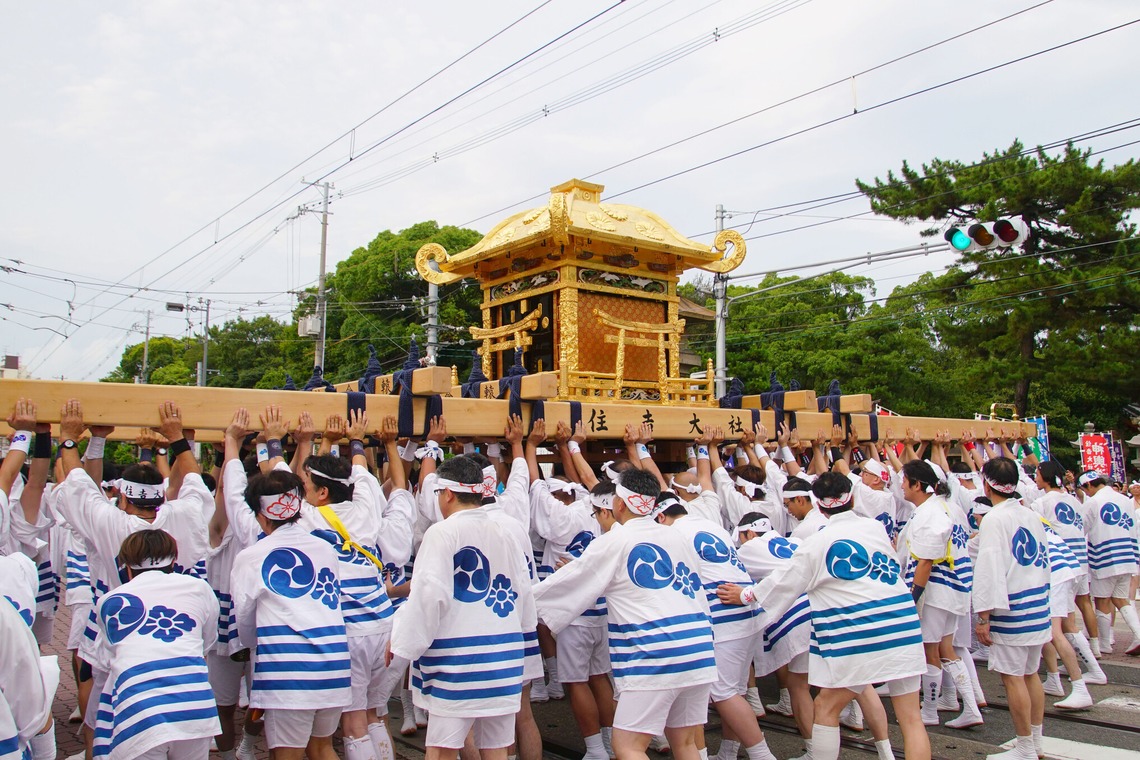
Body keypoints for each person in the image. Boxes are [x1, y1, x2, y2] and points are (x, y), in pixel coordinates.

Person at [720, 472, 929, 760]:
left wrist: (745, 595)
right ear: (852, 498)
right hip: (902, 623)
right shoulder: (874, 528)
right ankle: (885, 753)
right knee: (911, 719)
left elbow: (783, 582)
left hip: (857, 629)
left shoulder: (817, 541)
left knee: (826, 708)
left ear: (818, 505)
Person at [533, 468, 717, 760]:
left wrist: (521, 605)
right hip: (699, 648)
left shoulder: (614, 541)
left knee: (628, 746)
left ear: (619, 504)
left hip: (654, 651)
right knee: (685, 743)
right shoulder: (677, 536)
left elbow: (566, 583)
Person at [388, 456, 535, 760]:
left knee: (442, 749)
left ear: (448, 493)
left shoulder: (442, 532)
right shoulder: (506, 531)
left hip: (458, 662)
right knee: (496, 748)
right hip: (504, 657)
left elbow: (428, 595)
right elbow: (524, 594)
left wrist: (403, 644)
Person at [230, 467, 351, 760]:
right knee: (323, 748)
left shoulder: (251, 556)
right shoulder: (325, 548)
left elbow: (245, 620)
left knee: (288, 753)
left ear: (260, 514)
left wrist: (249, 646)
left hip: (288, 669)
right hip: (334, 662)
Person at [653, 489, 776, 760]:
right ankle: (729, 752)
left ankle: (763, 755)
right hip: (748, 608)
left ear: (660, 516)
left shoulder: (672, 534)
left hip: (723, 615)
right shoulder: (709, 523)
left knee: (724, 693)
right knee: (735, 691)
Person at [93, 529, 221, 760]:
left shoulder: (110, 601)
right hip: (194, 702)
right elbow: (207, 641)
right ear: (174, 559)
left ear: (127, 565)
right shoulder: (199, 588)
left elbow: (106, 658)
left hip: (139, 708)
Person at [972, 458, 1052, 760]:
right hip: (1037, 600)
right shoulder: (1028, 513)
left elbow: (990, 568)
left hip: (1013, 607)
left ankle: (1025, 747)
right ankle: (1035, 742)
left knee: (1013, 677)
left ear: (987, 484)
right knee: (1031, 674)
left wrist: (984, 616)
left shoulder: (994, 518)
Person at [896, 459, 980, 729]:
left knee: (930, 650)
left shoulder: (929, 512)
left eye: (905, 481)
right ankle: (969, 706)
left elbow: (925, 561)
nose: (901, 486)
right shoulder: (948, 506)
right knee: (946, 649)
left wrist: (913, 597)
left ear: (917, 485)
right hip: (954, 587)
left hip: (935, 590)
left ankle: (930, 710)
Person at [1077, 470, 1140, 656]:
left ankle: (1104, 643)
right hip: (1127, 555)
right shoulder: (1123, 499)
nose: (1086, 493)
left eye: (1085, 489)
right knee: (1122, 599)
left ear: (1089, 485)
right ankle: (1138, 634)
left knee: (1102, 600)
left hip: (1105, 556)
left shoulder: (1093, 502)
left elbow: (1082, 528)